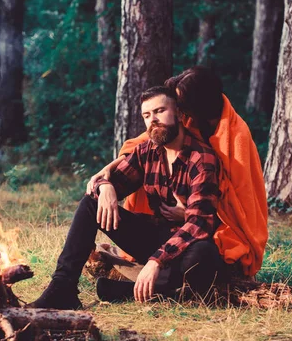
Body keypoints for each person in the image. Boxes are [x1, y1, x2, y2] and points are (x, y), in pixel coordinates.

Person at [30, 85, 229, 310]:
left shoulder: (201, 158)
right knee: (90, 205)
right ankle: (62, 288)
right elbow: (104, 182)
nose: (153, 120)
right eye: (147, 115)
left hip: (186, 245)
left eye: (160, 111)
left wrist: (156, 261)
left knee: (202, 254)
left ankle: (144, 291)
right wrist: (106, 188)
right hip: (156, 236)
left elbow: (199, 223)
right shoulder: (148, 151)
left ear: (179, 114)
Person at [88, 66, 268, 279]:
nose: (177, 108)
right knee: (91, 203)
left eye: (180, 103)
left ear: (196, 104)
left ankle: (147, 283)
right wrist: (108, 173)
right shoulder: (188, 121)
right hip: (175, 228)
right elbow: (143, 142)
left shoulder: (235, 135)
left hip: (212, 226)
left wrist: (190, 213)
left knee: (201, 255)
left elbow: (239, 202)